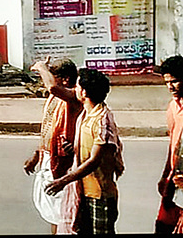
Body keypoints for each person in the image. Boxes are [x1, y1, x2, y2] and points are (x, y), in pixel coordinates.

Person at [45, 68, 125, 235]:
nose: (75, 90)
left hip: (99, 195)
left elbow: (94, 161)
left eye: (78, 86)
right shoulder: (86, 115)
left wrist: (63, 181)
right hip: (82, 192)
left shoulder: (101, 120)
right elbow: (86, 151)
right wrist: (74, 149)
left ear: (84, 92)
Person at [24, 57, 83, 234]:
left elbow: (52, 87)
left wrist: (41, 68)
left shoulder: (74, 96)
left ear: (65, 79)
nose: (46, 81)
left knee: (63, 213)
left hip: (64, 163)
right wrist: (38, 154)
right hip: (49, 158)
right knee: (53, 213)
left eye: (52, 76)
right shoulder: (54, 98)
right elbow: (49, 129)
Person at [155, 55, 183, 234]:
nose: (170, 87)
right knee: (164, 225)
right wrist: (165, 175)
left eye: (174, 81)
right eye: (167, 82)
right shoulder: (173, 107)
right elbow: (173, 144)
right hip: (175, 176)